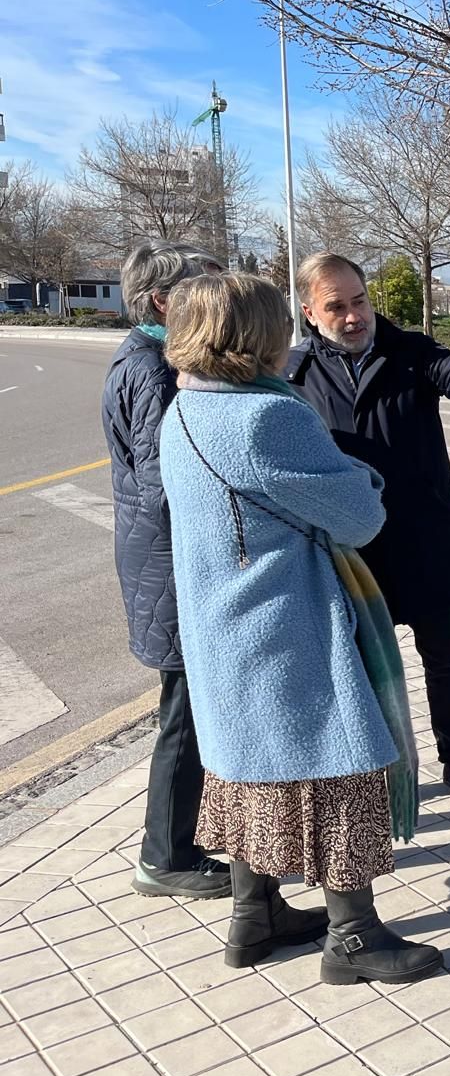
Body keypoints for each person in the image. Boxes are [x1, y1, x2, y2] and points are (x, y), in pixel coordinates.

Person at [160, 271, 443, 984]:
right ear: (256, 335)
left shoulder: (185, 407)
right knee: (340, 769)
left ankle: (255, 917)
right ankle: (354, 938)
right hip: (285, 630)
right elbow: (358, 516)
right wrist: (363, 480)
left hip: (225, 627)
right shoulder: (267, 417)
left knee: (256, 771)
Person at [286, 253, 450, 807]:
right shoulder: (295, 376)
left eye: (359, 300)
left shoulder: (409, 353)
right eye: (337, 307)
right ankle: (372, 775)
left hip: (424, 539)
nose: (354, 315)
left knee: (444, 657)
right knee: (360, 669)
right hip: (351, 553)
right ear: (311, 312)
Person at [102, 239, 230, 901]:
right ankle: (164, 856)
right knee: (183, 711)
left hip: (163, 561)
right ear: (162, 302)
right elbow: (166, 485)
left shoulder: (147, 359)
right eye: (199, 290)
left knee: (186, 707)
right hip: (172, 566)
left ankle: (182, 837)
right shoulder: (154, 371)